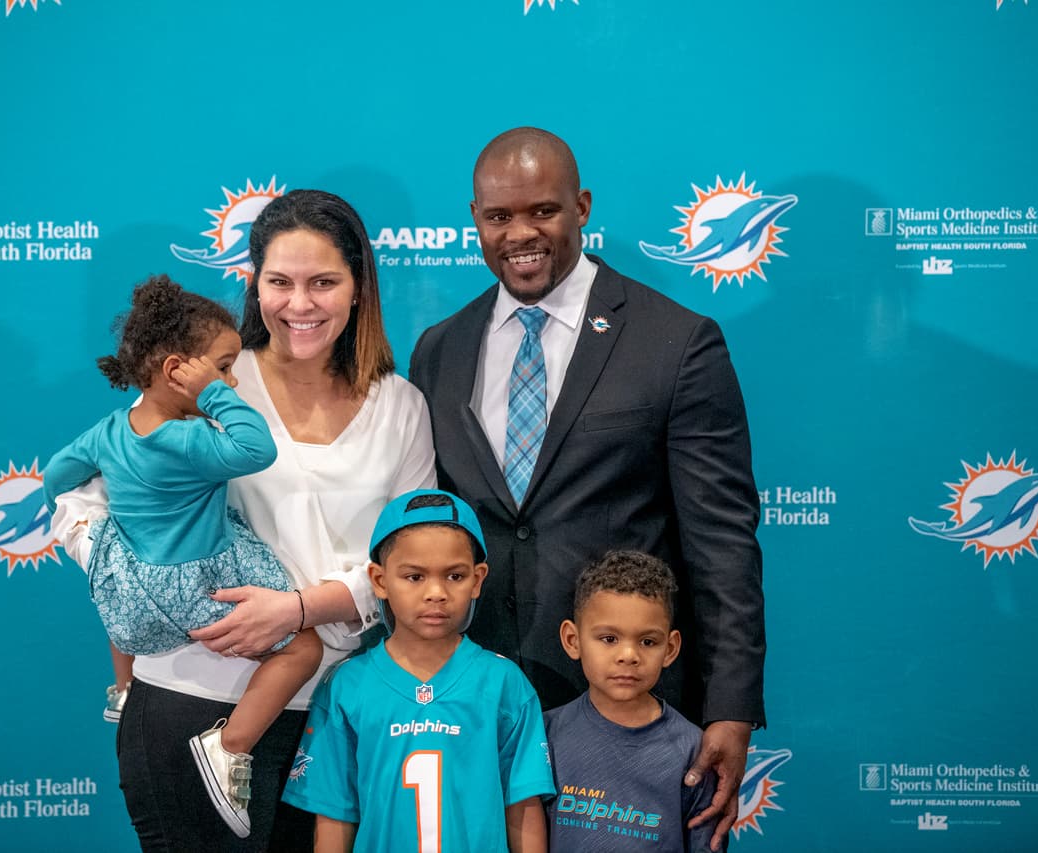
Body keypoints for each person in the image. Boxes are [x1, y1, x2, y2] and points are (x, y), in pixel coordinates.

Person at [408, 127, 765, 851]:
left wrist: (731, 705)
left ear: (583, 206)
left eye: (542, 210)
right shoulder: (439, 348)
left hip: (626, 713)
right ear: (474, 218)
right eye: (498, 217)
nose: (520, 234)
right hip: (474, 701)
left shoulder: (677, 341)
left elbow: (722, 541)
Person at [50, 190, 437, 851]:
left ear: (358, 287)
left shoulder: (400, 405)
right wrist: (150, 575)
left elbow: (415, 564)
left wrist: (299, 609)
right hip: (186, 698)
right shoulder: (210, 380)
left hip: (342, 717)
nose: (300, 304)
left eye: (323, 282)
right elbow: (79, 504)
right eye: (279, 282)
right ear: (253, 285)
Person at [42, 276, 323, 838]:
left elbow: (56, 476)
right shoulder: (187, 441)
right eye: (222, 367)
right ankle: (230, 745)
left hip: (137, 592)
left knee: (112, 584)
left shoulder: (110, 431)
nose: (233, 378)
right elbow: (255, 448)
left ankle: (123, 693)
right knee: (307, 645)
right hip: (199, 584)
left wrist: (111, 517)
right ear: (178, 371)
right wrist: (218, 398)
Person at [282, 490, 555, 853]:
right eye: (414, 577)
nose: (436, 593)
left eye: (454, 576)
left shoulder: (504, 685)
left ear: (478, 579)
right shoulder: (348, 686)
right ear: (379, 580)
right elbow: (335, 816)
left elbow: (523, 807)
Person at [546, 550, 717, 852]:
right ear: (573, 640)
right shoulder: (543, 735)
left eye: (647, 641)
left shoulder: (693, 750)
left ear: (670, 648)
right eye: (609, 639)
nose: (629, 655)